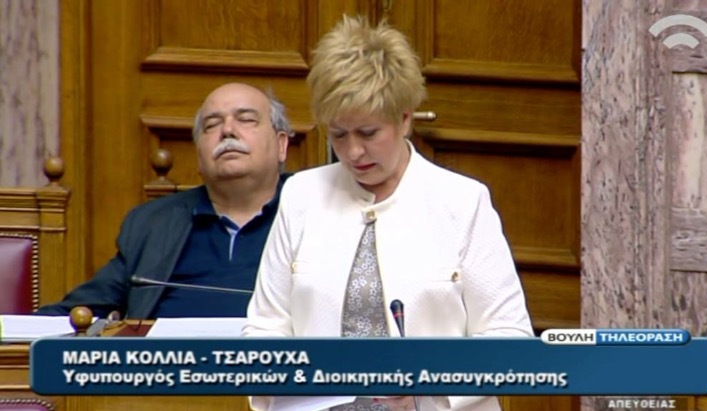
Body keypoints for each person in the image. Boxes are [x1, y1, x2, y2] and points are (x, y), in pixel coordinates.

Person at [243, 16, 532, 411]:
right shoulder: (300, 195)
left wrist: (426, 388)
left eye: (368, 133)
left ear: (405, 119)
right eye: (339, 135)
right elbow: (266, 326)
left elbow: (509, 337)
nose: (353, 152)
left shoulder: (463, 201)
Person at [36, 83, 292, 319]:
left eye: (246, 120)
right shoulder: (153, 223)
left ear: (281, 145)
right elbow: (80, 312)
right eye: (212, 125)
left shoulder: (309, 212)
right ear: (198, 156)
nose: (227, 131)